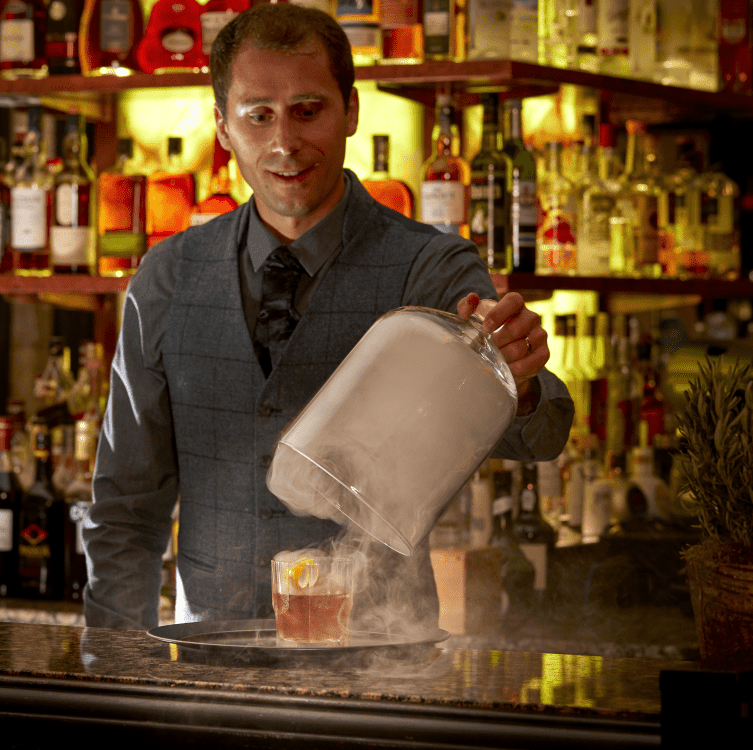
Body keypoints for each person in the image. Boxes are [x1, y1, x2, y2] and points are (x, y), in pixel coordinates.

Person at [83, 3, 573, 631]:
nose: (285, 142)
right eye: (258, 116)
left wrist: (523, 383)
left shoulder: (428, 266)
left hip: (381, 672)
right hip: (205, 667)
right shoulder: (167, 276)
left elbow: (541, 432)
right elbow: (126, 506)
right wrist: (108, 668)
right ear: (224, 128)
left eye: (308, 111)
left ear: (352, 112)